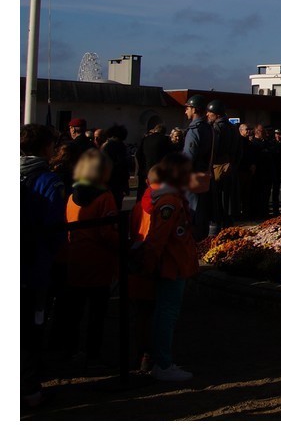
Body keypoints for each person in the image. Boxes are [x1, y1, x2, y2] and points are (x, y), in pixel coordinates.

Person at [129, 152, 198, 381]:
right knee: (166, 314)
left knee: (159, 313)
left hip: (168, 264)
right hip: (171, 265)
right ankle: (163, 363)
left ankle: (154, 358)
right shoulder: (169, 201)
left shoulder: (154, 198)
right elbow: (159, 238)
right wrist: (149, 264)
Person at [57, 149, 119, 370]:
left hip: (74, 256)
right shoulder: (105, 196)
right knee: (96, 312)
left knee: (73, 311)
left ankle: (69, 349)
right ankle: (92, 353)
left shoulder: (72, 195)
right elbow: (107, 232)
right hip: (98, 259)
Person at [21, 124, 67, 409]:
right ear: (45, 147)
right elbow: (54, 229)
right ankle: (28, 389)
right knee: (30, 328)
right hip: (33, 266)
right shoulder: (49, 181)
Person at [181, 94, 214, 240]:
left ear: (194, 109)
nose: (186, 111)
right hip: (205, 174)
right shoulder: (209, 128)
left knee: (192, 211)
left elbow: (189, 156)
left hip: (192, 176)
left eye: (187, 108)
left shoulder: (195, 129)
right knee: (203, 210)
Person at [206, 100, 240, 233]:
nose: (208, 115)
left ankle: (218, 225)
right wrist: (233, 163)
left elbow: (214, 148)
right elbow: (239, 150)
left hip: (217, 165)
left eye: (210, 113)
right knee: (227, 197)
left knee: (217, 197)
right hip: (230, 165)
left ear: (217, 114)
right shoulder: (233, 128)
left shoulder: (216, 128)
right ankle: (228, 223)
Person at [136, 119, 173, 200]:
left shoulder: (145, 139)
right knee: (156, 194)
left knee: (142, 193)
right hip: (159, 172)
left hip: (145, 170)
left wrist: (141, 166)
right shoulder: (165, 140)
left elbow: (138, 154)